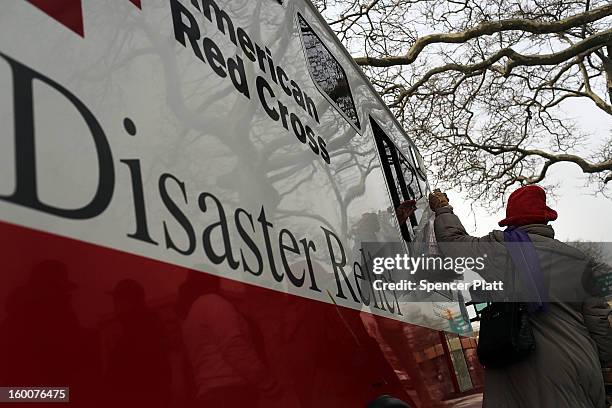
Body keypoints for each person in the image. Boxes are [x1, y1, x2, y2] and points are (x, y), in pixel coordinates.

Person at [428, 185, 612, 408]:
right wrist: (605, 369)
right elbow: (599, 324)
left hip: (520, 367)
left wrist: (443, 209)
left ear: (512, 220)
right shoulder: (580, 261)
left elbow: (453, 243)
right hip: (580, 364)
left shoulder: (500, 249)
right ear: (546, 221)